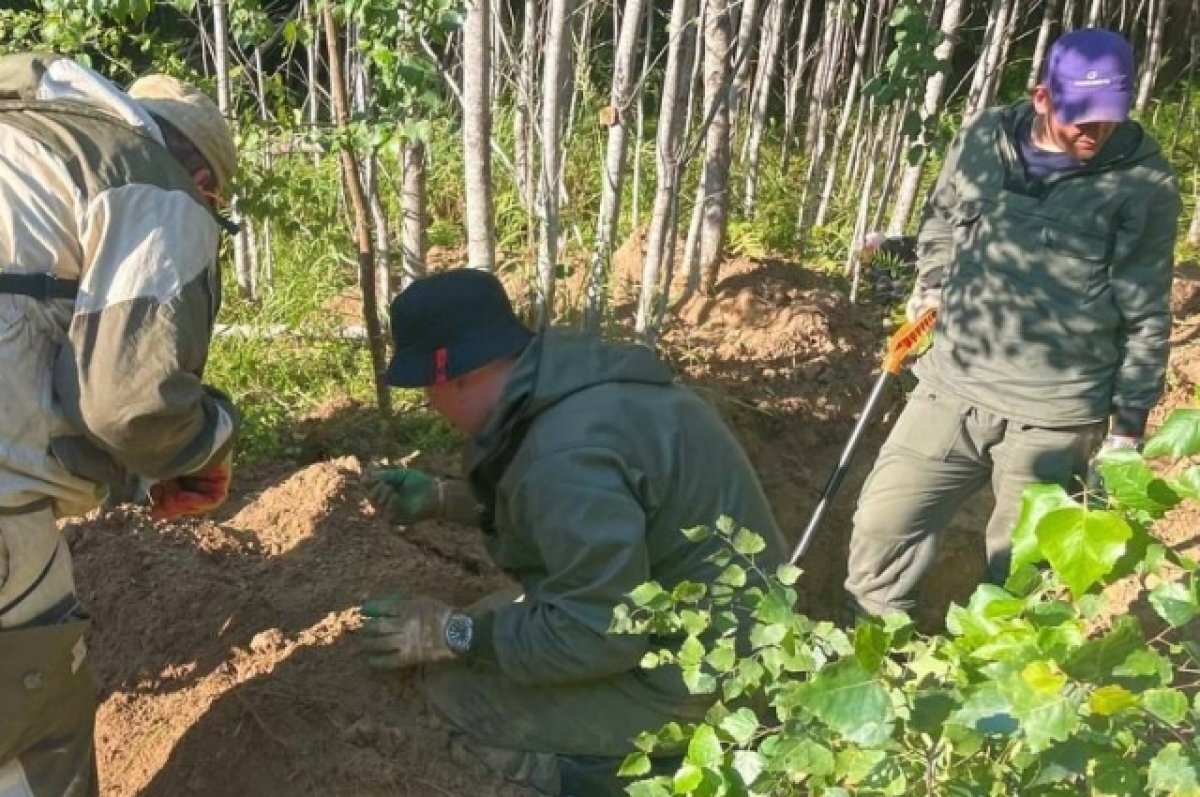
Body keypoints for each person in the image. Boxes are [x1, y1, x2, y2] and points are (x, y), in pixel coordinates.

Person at [362, 269, 785, 796]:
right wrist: (443, 499)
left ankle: (636, 776)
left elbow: (597, 637)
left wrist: (453, 634)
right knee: (497, 619)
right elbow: (582, 511)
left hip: (703, 679)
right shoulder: (577, 384)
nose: (428, 402)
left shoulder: (564, 456)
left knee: (453, 688)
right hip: (731, 635)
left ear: (457, 377)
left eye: (426, 385)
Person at [845, 28, 1182, 618]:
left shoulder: (1142, 183)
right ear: (1042, 97)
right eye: (1079, 116)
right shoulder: (983, 139)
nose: (1092, 132)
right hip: (950, 385)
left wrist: (1127, 428)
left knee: (1020, 573)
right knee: (881, 526)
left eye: (1107, 118)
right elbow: (943, 220)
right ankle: (870, 668)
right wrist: (933, 283)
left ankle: (992, 696)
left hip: (1055, 417)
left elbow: (1146, 309)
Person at [0, 54, 240, 796]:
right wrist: (208, 442)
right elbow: (133, 405)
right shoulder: (155, 185)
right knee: (36, 731)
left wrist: (135, 471)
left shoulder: (28, 148)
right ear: (204, 183)